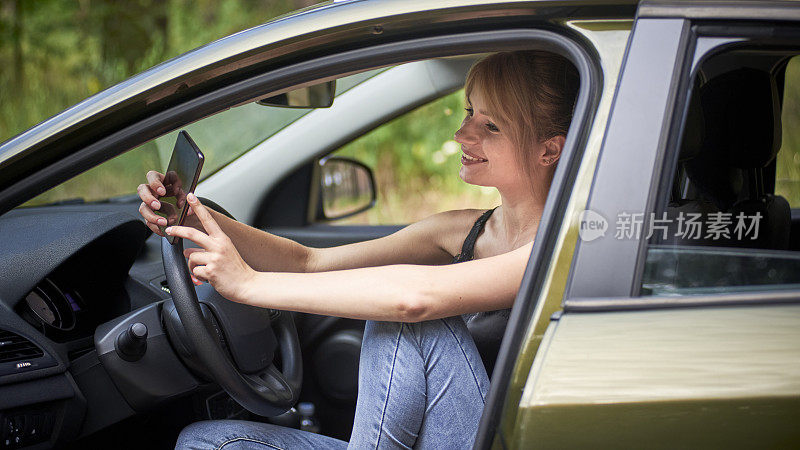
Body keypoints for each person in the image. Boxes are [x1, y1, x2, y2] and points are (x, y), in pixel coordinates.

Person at [137, 50, 579, 449]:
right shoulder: (462, 230)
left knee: (410, 322)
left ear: (548, 150)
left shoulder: (558, 247)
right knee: (210, 443)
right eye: (469, 113)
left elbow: (414, 301)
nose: (463, 133)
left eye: (491, 125)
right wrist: (191, 213)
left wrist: (248, 285)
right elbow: (309, 262)